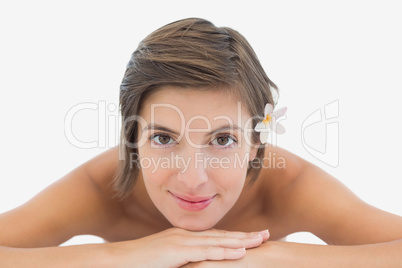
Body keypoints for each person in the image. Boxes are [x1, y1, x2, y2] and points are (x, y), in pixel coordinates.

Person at [0, 17, 401, 267]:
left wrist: (275, 259)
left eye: (223, 140)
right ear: (132, 138)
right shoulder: (99, 188)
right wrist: (125, 256)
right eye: (162, 137)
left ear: (258, 142)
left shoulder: (289, 187)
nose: (193, 179)